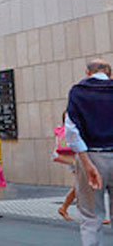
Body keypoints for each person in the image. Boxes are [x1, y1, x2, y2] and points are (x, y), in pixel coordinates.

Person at [65, 58, 113, 246]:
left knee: (91, 216)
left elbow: (71, 131)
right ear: (109, 73)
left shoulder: (78, 92)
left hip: (92, 155)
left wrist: (86, 162)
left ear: (88, 72)